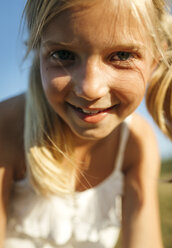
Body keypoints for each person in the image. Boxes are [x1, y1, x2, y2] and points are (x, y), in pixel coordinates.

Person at [0, 0, 172, 247]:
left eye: (122, 55)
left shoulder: (136, 143)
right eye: (63, 55)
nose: (90, 88)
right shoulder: (6, 127)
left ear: (154, 59)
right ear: (39, 53)